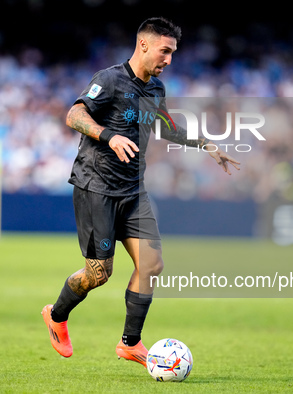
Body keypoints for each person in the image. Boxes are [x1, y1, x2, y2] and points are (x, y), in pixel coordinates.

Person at [41, 17, 240, 366]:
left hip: (133, 191)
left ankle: (130, 342)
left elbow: (165, 128)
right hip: (96, 189)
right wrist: (109, 135)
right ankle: (56, 315)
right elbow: (74, 115)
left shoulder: (156, 90)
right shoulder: (110, 80)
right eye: (165, 51)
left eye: (173, 53)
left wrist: (206, 144)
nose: (169, 60)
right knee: (98, 274)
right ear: (144, 45)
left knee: (152, 263)